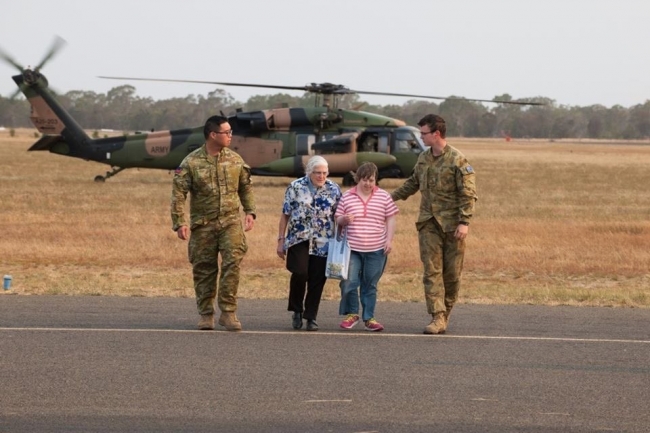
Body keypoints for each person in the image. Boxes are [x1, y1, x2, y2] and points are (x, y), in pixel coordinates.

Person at [390, 114, 477, 335]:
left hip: (452, 226)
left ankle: (446, 312)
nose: (421, 137)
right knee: (431, 271)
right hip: (428, 223)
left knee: (452, 275)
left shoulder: (458, 160)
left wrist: (464, 222)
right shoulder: (423, 158)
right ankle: (437, 316)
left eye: (424, 133)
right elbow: (413, 183)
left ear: (436, 134)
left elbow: (468, 194)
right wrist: (388, 198)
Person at [171, 115, 256, 332]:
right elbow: (178, 194)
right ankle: (206, 314)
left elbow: (245, 187)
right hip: (203, 224)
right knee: (204, 268)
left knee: (232, 261)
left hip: (230, 222)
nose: (230, 136)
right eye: (226, 132)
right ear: (212, 135)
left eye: (230, 132)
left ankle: (228, 312)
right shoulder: (191, 162)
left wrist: (250, 211)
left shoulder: (236, 160)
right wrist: (180, 222)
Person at [276, 156, 341, 331]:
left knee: (317, 279)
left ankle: (311, 316)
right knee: (300, 273)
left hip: (323, 240)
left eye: (324, 173)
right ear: (309, 172)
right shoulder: (295, 187)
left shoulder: (334, 189)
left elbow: (338, 214)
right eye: (317, 173)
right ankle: (297, 310)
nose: (321, 176)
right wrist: (280, 240)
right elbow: (285, 214)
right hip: (299, 238)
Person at [335, 162, 398, 332]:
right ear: (358, 179)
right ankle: (352, 314)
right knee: (349, 281)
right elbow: (337, 218)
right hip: (352, 249)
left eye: (371, 180)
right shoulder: (347, 196)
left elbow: (391, 218)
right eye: (364, 180)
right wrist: (344, 220)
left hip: (376, 249)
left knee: (370, 284)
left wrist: (389, 240)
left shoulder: (384, 197)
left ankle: (369, 318)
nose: (368, 184)